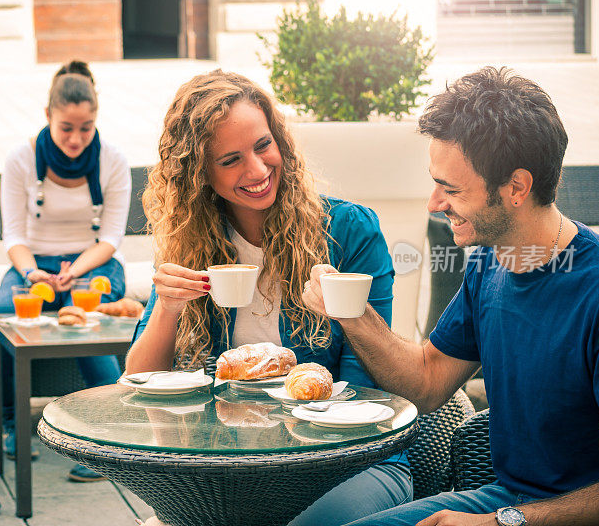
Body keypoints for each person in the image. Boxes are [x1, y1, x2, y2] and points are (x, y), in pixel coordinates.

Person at [301, 67, 599, 526]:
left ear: (516, 188)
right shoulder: (490, 262)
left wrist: (502, 522)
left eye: (450, 189)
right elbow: (425, 383)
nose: (433, 203)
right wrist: (349, 314)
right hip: (503, 498)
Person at [125, 70, 412, 525]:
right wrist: (167, 307)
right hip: (233, 468)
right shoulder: (192, 241)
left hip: (348, 464)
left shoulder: (348, 231)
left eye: (263, 146)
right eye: (231, 159)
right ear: (199, 174)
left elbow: (370, 391)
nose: (257, 170)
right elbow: (140, 382)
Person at [0, 60, 131, 482]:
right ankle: (15, 425)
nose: (75, 138)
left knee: (86, 322)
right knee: (4, 314)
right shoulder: (21, 158)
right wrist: (33, 274)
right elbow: (13, 235)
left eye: (86, 127)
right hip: (32, 265)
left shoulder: (112, 160)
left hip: (93, 260)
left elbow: (111, 237)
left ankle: (110, 435)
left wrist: (76, 272)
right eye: (66, 127)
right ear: (48, 116)